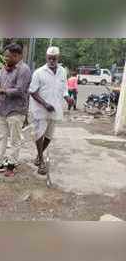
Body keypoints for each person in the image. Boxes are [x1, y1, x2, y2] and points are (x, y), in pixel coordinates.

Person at [29, 46, 74, 175]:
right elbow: (32, 92)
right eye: (50, 58)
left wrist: (67, 98)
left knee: (49, 136)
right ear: (46, 57)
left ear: (58, 58)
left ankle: (39, 155)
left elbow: (64, 88)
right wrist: (44, 104)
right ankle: (41, 161)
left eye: (54, 58)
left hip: (55, 109)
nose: (52, 60)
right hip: (40, 110)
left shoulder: (62, 71)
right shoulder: (38, 72)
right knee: (39, 134)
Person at [0, 43, 32, 177]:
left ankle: (12, 164)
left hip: (16, 110)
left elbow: (20, 91)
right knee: (1, 137)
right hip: (2, 108)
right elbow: (1, 86)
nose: (6, 59)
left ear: (17, 56)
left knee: (14, 139)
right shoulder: (4, 68)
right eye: (5, 57)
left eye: (8, 57)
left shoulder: (24, 70)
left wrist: (1, 90)